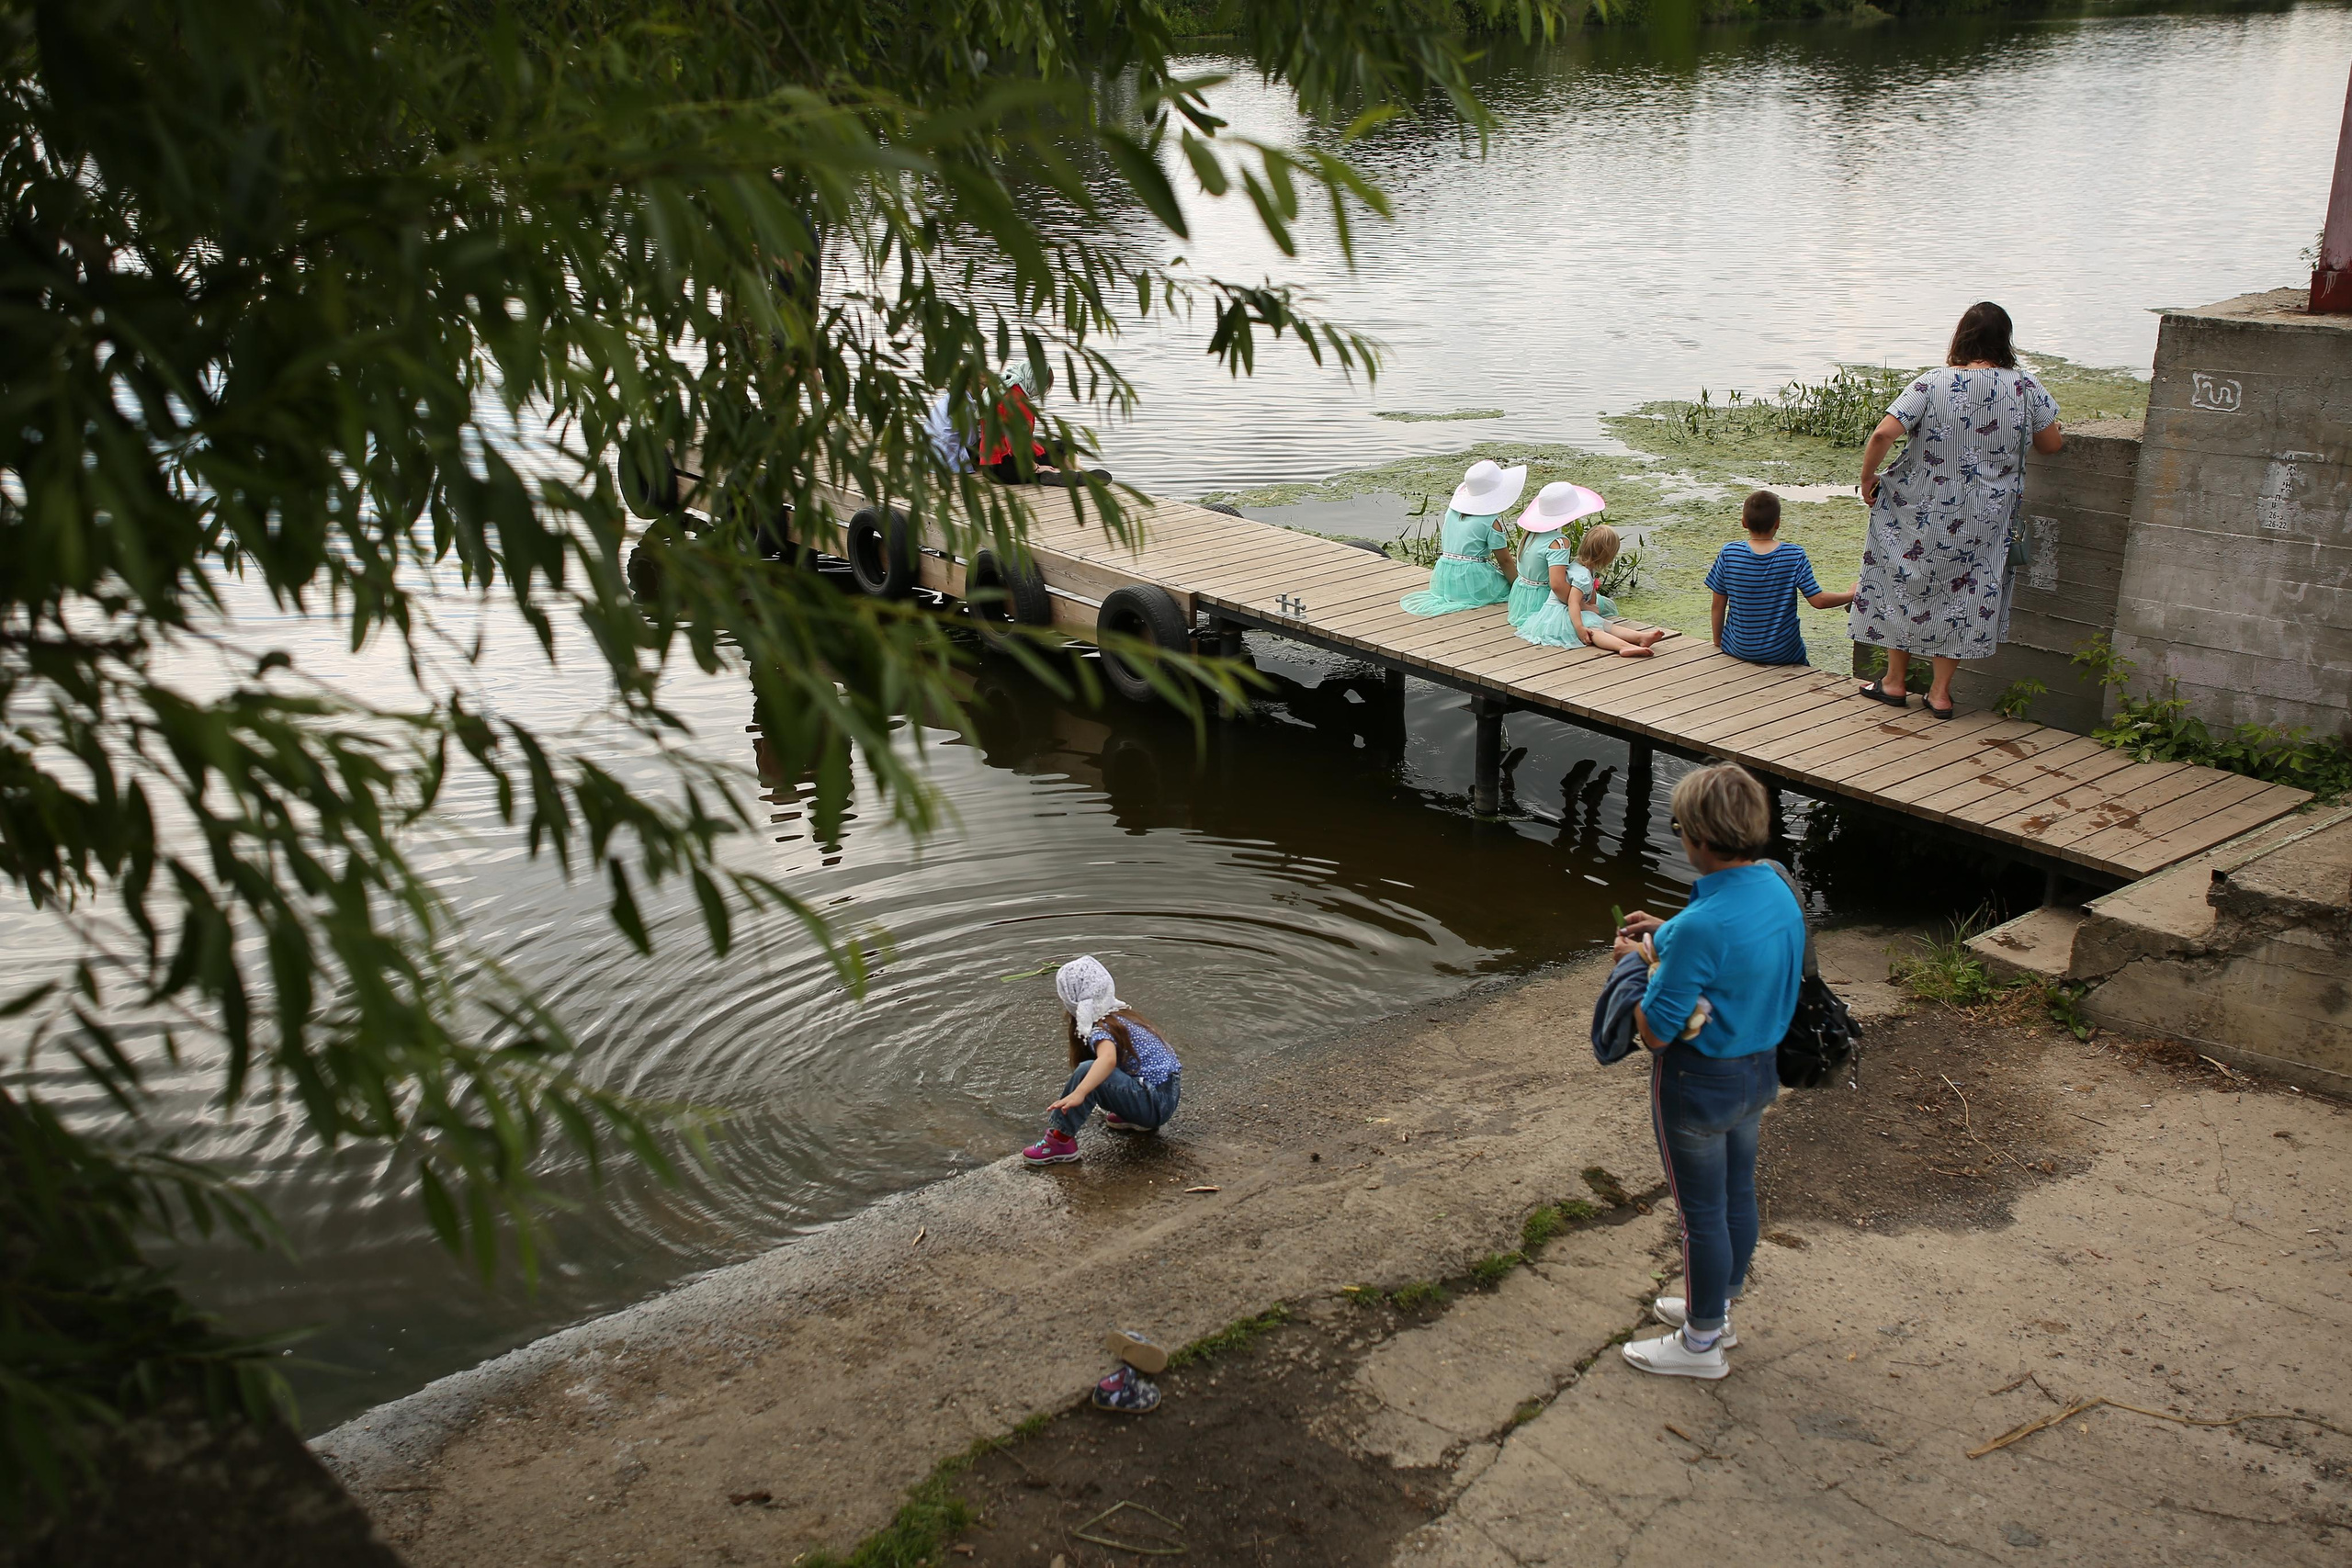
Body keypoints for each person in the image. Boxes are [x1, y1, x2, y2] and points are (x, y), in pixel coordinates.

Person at [1611, 762, 1804, 1380]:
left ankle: (1700, 1344)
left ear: (1695, 836)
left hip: (1697, 1085)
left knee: (1700, 1217)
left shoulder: (1698, 927)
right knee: (1737, 1194)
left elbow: (1655, 1030)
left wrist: (1635, 965)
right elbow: (1732, 943)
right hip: (1758, 1071)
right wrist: (1665, 933)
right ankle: (1717, 1307)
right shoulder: (1777, 886)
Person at [1851, 302, 2064, 718]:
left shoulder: (1932, 384)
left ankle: (1894, 683)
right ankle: (1941, 694)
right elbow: (2051, 444)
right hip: (1986, 517)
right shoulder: (2025, 388)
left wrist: (1867, 477)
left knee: (1905, 581)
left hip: (1922, 510)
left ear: (1960, 337)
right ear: (2005, 341)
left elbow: (1883, 433)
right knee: (1965, 595)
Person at [1022, 956, 1182, 1168]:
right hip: (1165, 1096)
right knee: (1096, 1071)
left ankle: (1060, 1140)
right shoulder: (1121, 1015)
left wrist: (1079, 1093)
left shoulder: (1102, 1029)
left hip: (1154, 1105)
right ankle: (1132, 1115)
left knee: (1088, 1070)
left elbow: (1107, 1060)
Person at [1707, 490, 1856, 665]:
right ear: (1777, 523)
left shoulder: (1729, 553)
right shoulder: (1794, 555)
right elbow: (1819, 601)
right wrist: (1852, 593)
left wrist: (1719, 642)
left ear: (1744, 523)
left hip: (1737, 649)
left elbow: (1718, 604)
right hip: (1783, 654)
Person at [1516, 521, 1666, 657]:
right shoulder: (1582, 576)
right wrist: (1580, 627)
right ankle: (1623, 646)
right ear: (1607, 557)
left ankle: (1640, 638)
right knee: (1594, 630)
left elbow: (1589, 599)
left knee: (1605, 624)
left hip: (1566, 610)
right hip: (1560, 615)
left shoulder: (1582, 567)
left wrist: (1590, 602)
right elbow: (1572, 602)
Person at [1400, 459, 1521, 615]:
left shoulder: (1452, 511)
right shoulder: (1491, 521)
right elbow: (1504, 561)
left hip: (1445, 575)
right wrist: (1517, 588)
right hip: (1471, 577)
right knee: (1507, 589)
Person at [1507, 481, 1602, 628]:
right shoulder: (1559, 542)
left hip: (1522, 599)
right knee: (1600, 609)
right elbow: (1557, 585)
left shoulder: (1530, 533)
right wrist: (1583, 606)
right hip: (1543, 602)